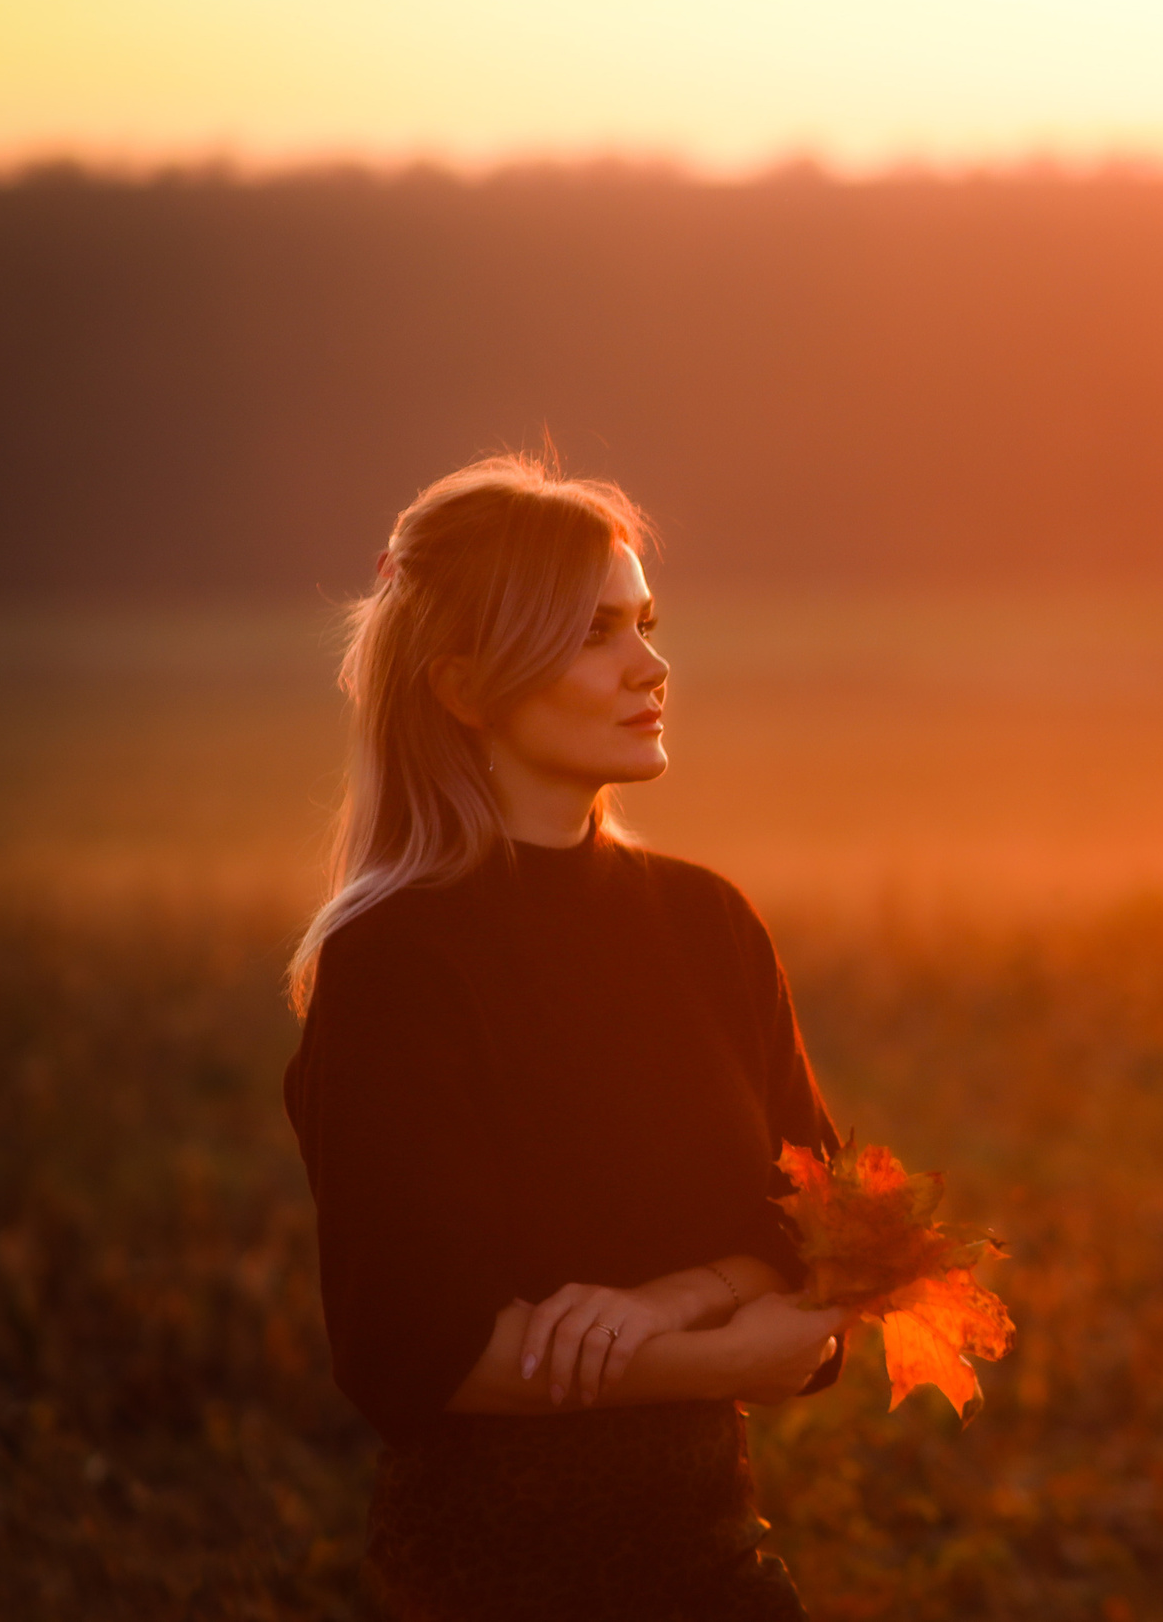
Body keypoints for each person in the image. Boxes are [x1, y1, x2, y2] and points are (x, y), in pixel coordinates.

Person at [282, 453, 850, 1621]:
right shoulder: (398, 960)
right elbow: (417, 1351)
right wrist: (721, 1356)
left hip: (715, 1564)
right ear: (464, 688)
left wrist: (667, 1300)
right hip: (492, 1578)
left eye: (644, 623)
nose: (651, 665)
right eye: (593, 633)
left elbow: (827, 1240)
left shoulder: (708, 923)